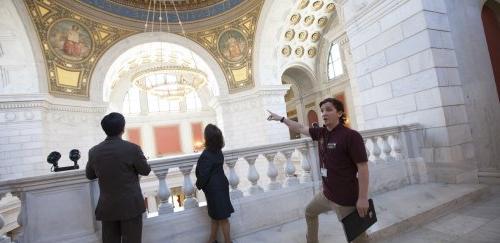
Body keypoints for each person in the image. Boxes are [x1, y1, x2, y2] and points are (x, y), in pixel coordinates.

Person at [267, 98, 369, 243]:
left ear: (339, 113)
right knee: (309, 212)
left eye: (328, 109)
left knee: (358, 238)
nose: (323, 113)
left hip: (345, 199)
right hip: (326, 195)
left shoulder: (351, 136)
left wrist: (363, 198)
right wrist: (282, 119)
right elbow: (300, 128)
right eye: (322, 111)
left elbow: (363, 167)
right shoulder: (321, 133)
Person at [86, 112, 151, 243]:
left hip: (108, 206)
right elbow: (145, 170)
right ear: (123, 128)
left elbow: (90, 175)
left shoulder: (94, 151)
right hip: (131, 206)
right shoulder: (132, 148)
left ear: (104, 129)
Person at [195, 124, 234, 243]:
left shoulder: (207, 155)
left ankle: (227, 241)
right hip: (221, 186)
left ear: (207, 137)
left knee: (222, 218)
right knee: (216, 216)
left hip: (214, 190)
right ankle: (212, 239)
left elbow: (204, 174)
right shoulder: (218, 152)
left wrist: (198, 185)